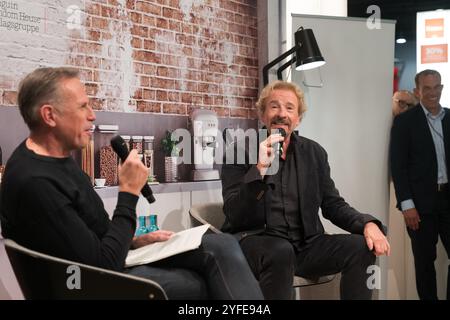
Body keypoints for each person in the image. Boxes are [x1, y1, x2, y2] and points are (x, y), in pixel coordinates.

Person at [0, 67, 264, 300]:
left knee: (222, 244)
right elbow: (103, 265)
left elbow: (94, 233)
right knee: (204, 283)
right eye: (83, 106)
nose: (92, 115)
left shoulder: (57, 158)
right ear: (50, 115)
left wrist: (136, 241)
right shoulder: (35, 181)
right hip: (93, 285)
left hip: (108, 265)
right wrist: (128, 192)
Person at [221, 80, 390, 300]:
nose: (282, 113)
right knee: (280, 250)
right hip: (258, 242)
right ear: (262, 115)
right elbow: (235, 213)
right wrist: (259, 169)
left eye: (290, 108)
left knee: (360, 247)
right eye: (274, 106)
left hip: (307, 246)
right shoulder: (241, 150)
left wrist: (367, 223)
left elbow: (333, 205)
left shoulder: (314, 153)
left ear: (298, 118)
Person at [390, 69, 450, 300]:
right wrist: (407, 205)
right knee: (425, 263)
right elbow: (399, 166)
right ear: (418, 91)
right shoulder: (405, 122)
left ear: (442, 88)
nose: (433, 93)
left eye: (437, 87)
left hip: (448, 199)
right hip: (420, 206)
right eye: (427, 88)